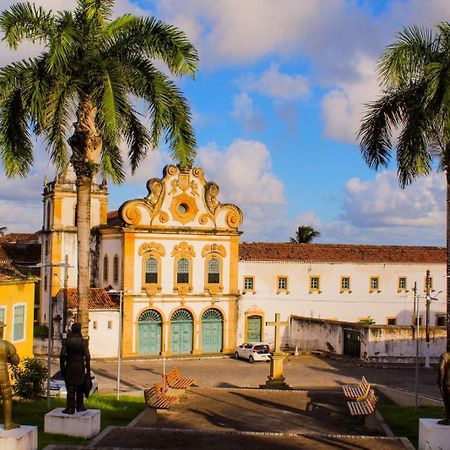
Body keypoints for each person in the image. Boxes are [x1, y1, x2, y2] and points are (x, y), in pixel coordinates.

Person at [60, 322, 91, 414]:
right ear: (79, 330)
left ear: (72, 330)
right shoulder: (82, 342)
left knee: (70, 387)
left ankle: (70, 408)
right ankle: (80, 406)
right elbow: (87, 356)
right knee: (80, 387)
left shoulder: (67, 341)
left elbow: (62, 355)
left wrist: (62, 366)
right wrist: (88, 370)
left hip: (70, 366)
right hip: (80, 367)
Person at [0, 321, 20, 430]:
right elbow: (16, 361)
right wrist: (7, 359)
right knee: (7, 397)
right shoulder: (7, 345)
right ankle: (7, 423)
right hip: (2, 372)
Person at [438, 351, 450, 425]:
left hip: (447, 382)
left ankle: (448, 419)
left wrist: (440, 379)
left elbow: (441, 367)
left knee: (447, 401)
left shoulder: (445, 355)